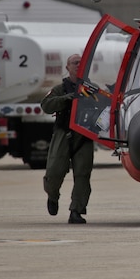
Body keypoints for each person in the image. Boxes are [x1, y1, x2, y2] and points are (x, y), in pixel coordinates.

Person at [41, 54, 94, 224]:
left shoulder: (91, 89)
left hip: (84, 136)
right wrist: (66, 99)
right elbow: (46, 106)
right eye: (74, 62)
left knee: (82, 175)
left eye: (81, 62)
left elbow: (104, 108)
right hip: (63, 134)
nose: (78, 65)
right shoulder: (59, 89)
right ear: (67, 67)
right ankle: (53, 196)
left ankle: (76, 211)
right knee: (54, 172)